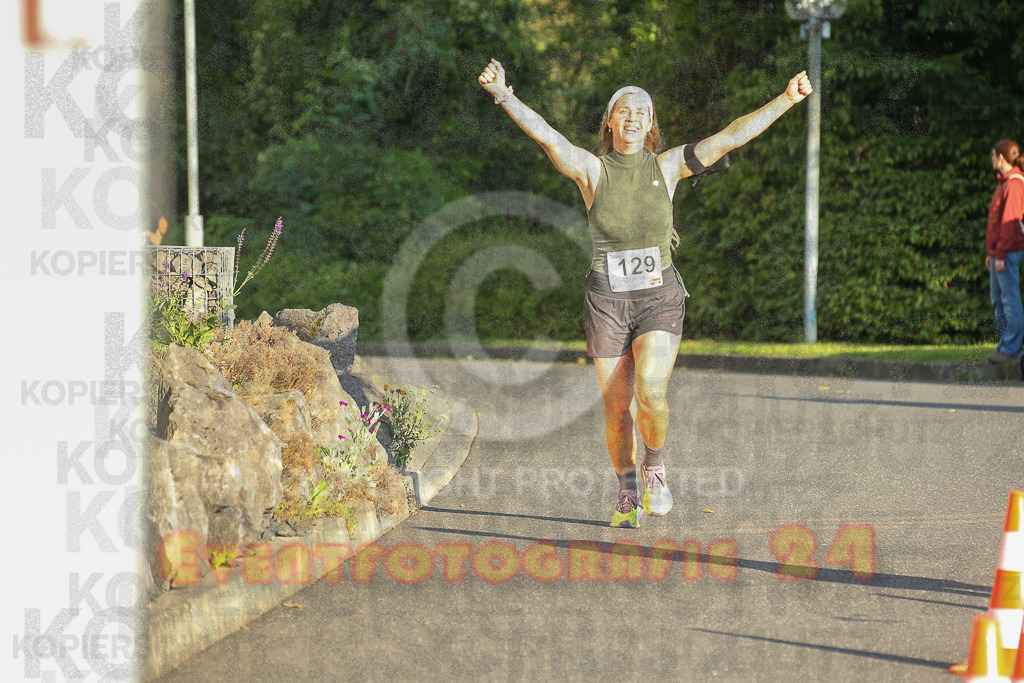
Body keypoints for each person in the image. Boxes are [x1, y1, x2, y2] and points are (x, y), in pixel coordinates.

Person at [478, 58, 812, 527]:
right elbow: (548, 136)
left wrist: (787, 99)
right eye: (624, 109)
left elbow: (732, 135)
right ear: (610, 121)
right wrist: (504, 94)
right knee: (617, 412)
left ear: (650, 124)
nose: (633, 115)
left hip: (659, 299)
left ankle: (654, 467)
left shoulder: (668, 165)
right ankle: (628, 487)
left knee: (651, 392)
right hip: (607, 303)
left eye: (642, 110)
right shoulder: (592, 171)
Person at [985, 140, 1024, 364]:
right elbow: (996, 224)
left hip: (1008, 252)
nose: (991, 159)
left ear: (1001, 158)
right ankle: (1006, 344)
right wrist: (991, 253)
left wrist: (1000, 255)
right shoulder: (1005, 183)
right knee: (998, 300)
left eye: (993, 155)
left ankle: (1011, 348)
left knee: (1009, 301)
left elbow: (1010, 223)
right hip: (999, 252)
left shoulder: (1014, 183)